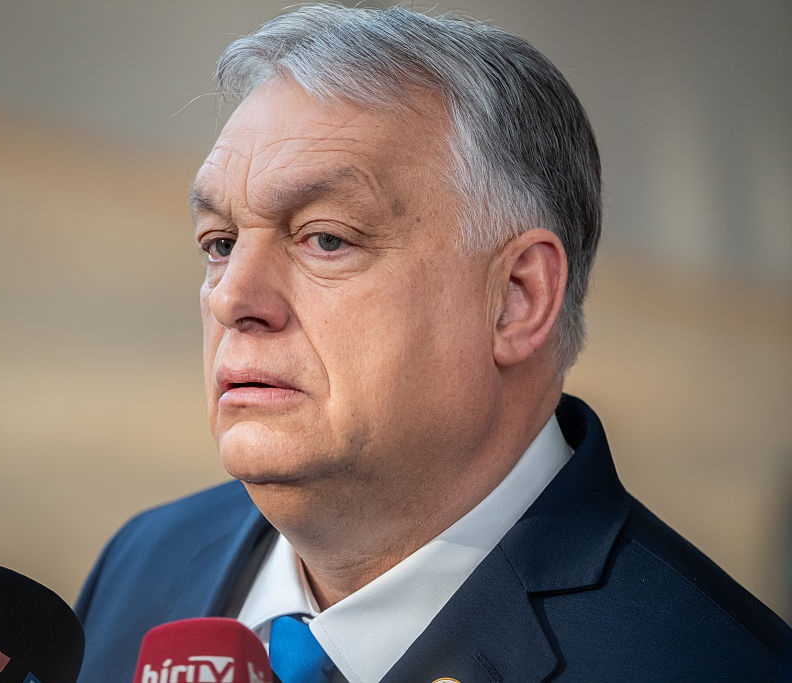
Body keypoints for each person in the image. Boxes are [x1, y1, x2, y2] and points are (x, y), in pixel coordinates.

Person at [74, 5, 791, 681]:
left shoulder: (711, 662)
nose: (233, 299)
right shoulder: (140, 567)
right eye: (220, 243)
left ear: (516, 298)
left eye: (326, 239)